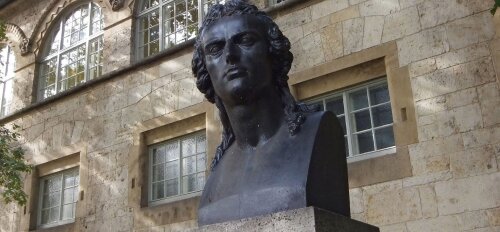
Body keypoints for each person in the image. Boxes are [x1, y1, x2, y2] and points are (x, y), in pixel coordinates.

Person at [192, 0, 349, 226]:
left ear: (272, 53)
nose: (229, 55)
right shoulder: (218, 171)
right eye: (215, 49)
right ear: (205, 70)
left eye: (245, 40)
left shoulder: (318, 132)